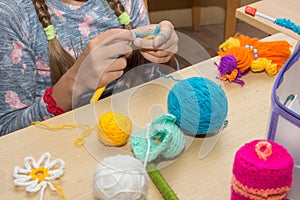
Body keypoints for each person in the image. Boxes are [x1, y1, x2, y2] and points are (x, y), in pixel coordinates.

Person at [0, 0, 179, 136]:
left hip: (131, 129)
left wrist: (162, 55)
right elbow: (8, 130)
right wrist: (73, 84)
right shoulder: (13, 14)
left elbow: (148, 83)